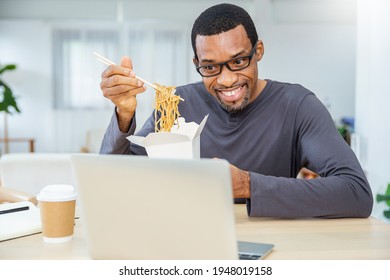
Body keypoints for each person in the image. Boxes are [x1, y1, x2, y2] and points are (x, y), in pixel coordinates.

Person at [99, 3, 373, 218]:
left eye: (239, 61)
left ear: (259, 51)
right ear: (197, 62)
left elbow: (356, 193)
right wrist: (124, 115)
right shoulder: (177, 102)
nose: (227, 80)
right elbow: (114, 179)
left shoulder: (297, 105)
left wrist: (247, 185)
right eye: (210, 67)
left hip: (271, 241)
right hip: (185, 233)